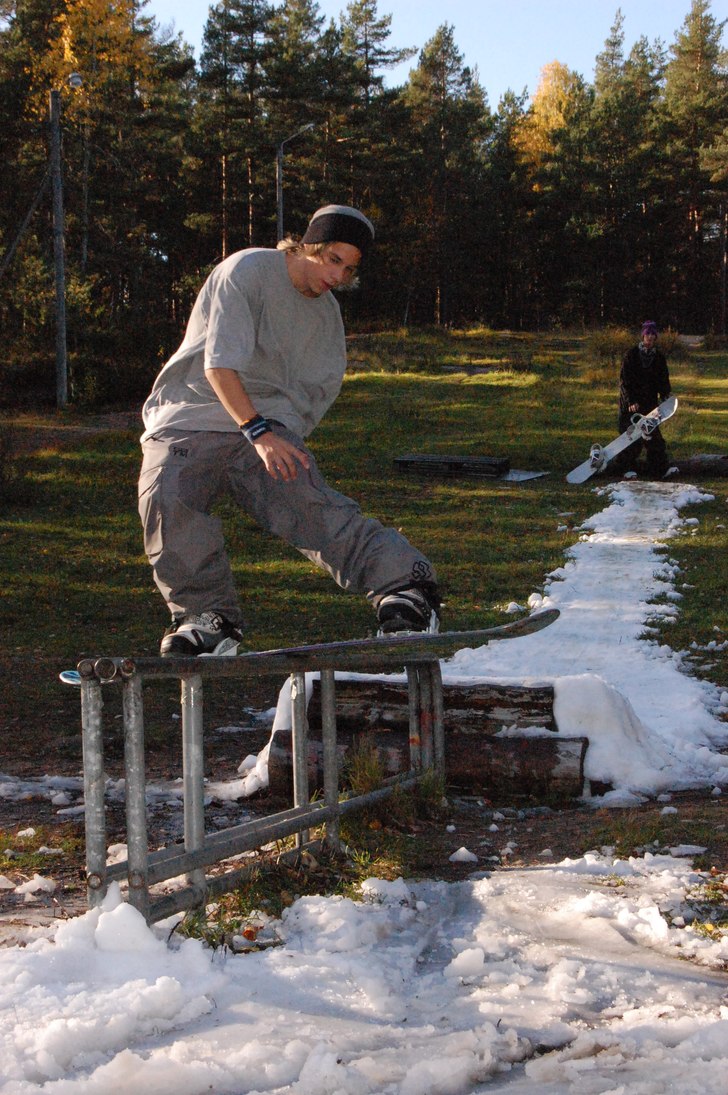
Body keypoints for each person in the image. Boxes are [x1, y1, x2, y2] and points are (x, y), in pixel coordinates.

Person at [138, 204, 440, 656]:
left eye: (351, 269)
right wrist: (258, 431)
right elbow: (219, 364)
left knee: (306, 502)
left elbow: (318, 389)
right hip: (191, 414)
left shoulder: (326, 316)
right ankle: (206, 618)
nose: (338, 277)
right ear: (308, 245)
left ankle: (405, 587)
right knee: (165, 501)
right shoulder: (246, 270)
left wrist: (283, 432)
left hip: (268, 427)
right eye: (333, 260)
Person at [614, 320, 672, 478]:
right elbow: (625, 381)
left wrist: (666, 394)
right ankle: (627, 469)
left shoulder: (659, 357)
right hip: (631, 405)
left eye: (653, 334)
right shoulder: (631, 355)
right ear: (643, 335)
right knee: (631, 437)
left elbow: (663, 379)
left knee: (654, 437)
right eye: (648, 333)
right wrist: (630, 401)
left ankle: (659, 469)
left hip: (650, 404)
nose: (650, 337)